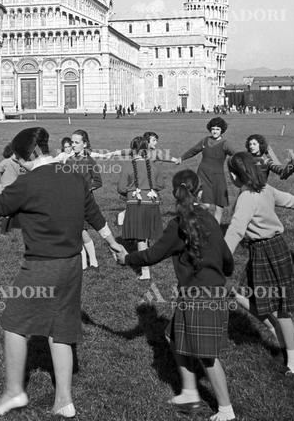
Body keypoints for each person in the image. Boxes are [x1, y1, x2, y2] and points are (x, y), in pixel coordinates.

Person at [0, 127, 123, 418]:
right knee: (61, 329)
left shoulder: (28, 183)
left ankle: (14, 392)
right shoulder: (75, 175)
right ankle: (64, 401)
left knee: (14, 323)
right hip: (72, 265)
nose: (19, 164)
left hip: (41, 265)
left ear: (29, 155)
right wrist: (112, 242)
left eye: (19, 159)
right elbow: (94, 212)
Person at [118, 169, 235, 421]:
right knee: (172, 336)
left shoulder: (178, 225)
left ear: (174, 193)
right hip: (200, 293)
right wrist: (226, 271)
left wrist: (126, 258)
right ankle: (190, 391)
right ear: (199, 192)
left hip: (201, 295)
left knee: (207, 355)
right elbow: (226, 257)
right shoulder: (209, 219)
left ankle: (226, 410)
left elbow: (152, 255)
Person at [225, 152, 294, 372]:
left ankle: (293, 363)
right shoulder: (266, 189)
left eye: (231, 172)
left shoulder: (247, 197)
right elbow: (292, 200)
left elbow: (236, 229)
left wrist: (219, 258)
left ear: (237, 175)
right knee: (246, 295)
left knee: (282, 309)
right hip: (274, 249)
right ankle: (281, 339)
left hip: (266, 252)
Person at [117, 136, 164, 280]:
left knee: (141, 238)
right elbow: (161, 185)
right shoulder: (153, 166)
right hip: (152, 203)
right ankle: (148, 260)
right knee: (145, 236)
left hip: (136, 203)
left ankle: (145, 272)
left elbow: (121, 188)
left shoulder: (128, 166)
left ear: (132, 150)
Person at [177, 117, 234, 223]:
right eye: (213, 129)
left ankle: (216, 228)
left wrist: (237, 170)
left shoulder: (225, 143)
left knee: (219, 205)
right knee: (205, 204)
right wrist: (181, 158)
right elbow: (193, 150)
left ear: (222, 130)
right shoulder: (205, 141)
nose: (215, 131)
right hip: (203, 175)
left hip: (218, 176)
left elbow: (236, 156)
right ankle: (193, 221)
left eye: (217, 129)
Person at [69, 129, 102, 270]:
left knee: (82, 231)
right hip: (70, 201)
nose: (73, 145)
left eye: (77, 142)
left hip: (84, 202)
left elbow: (98, 181)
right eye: (72, 142)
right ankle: (83, 263)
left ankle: (93, 261)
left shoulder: (89, 160)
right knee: (76, 232)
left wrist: (86, 189)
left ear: (84, 144)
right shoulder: (69, 161)